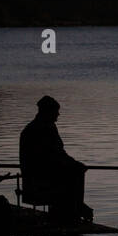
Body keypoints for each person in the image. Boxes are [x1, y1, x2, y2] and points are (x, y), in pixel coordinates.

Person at [19, 95, 93, 224]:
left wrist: (74, 164)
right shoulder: (40, 129)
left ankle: (76, 207)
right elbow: (54, 156)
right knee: (76, 172)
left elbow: (58, 154)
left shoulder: (45, 127)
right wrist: (75, 165)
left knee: (75, 170)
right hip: (39, 178)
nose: (58, 115)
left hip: (43, 173)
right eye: (56, 112)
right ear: (47, 112)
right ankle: (75, 208)